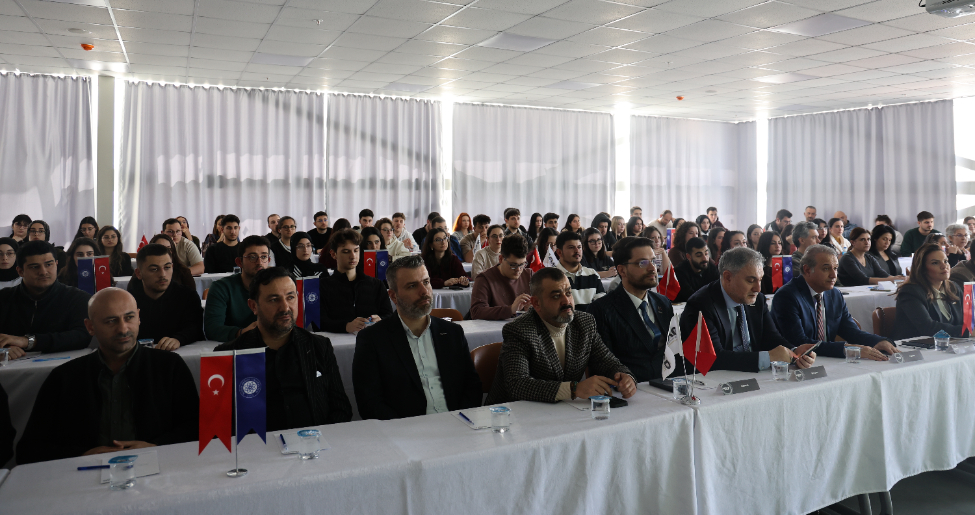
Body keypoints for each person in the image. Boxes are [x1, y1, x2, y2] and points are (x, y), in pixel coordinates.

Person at [15, 287, 199, 465]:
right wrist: (82, 455)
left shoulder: (170, 367)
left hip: (159, 469)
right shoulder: (64, 377)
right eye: (111, 321)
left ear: (139, 317)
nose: (123, 329)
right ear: (90, 327)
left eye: (129, 317)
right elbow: (29, 449)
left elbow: (196, 428)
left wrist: (156, 447)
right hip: (82, 475)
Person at [215, 268, 352, 430]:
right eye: (274, 300)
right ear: (253, 306)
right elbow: (218, 423)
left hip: (315, 440)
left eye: (290, 297)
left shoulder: (319, 346)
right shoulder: (228, 355)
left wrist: (321, 438)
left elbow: (341, 408)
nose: (285, 307)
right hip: (255, 444)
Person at [353, 256, 482, 419]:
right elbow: (369, 402)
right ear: (393, 296)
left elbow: (471, 386)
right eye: (412, 286)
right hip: (404, 428)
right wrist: (407, 429)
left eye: (426, 282)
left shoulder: (452, 332)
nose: (424, 292)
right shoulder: (373, 339)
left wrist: (460, 419)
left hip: (457, 423)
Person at [484, 267, 636, 404]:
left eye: (568, 293)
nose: (566, 301)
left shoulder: (584, 323)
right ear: (536, 303)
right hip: (512, 414)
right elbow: (517, 385)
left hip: (563, 410)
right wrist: (574, 389)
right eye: (556, 296)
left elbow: (606, 361)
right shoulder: (519, 330)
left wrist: (624, 376)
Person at [679, 247, 815, 373]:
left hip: (751, 375)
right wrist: (767, 358)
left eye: (760, 280)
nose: (758, 288)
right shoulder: (701, 305)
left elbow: (771, 337)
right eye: (751, 281)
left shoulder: (758, 299)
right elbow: (712, 358)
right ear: (728, 277)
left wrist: (794, 351)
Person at [771, 245, 900, 361]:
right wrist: (849, 349)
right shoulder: (787, 296)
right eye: (826, 269)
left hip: (827, 360)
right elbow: (800, 342)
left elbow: (851, 332)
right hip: (796, 363)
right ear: (807, 270)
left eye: (835, 268)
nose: (834, 275)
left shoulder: (834, 294)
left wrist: (878, 341)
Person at [590, 237, 675, 382]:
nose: (652, 268)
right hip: (630, 387)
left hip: (667, 383)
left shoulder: (663, 302)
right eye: (643, 263)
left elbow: (673, 347)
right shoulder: (602, 310)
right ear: (622, 270)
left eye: (653, 261)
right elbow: (602, 362)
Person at [0, 240, 91, 359]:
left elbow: (82, 336)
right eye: (34, 267)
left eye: (48, 265)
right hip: (11, 369)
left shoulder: (78, 298)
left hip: (64, 368)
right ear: (20, 271)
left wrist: (28, 341)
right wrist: (3, 347)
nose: (43, 272)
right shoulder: (4, 298)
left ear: (56, 264)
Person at [127, 244, 204, 350]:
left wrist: (179, 339)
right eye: (154, 269)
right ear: (139, 273)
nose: (163, 274)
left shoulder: (188, 296)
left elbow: (195, 328)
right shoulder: (128, 301)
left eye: (167, 267)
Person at [320, 229, 394, 333]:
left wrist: (380, 319)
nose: (353, 256)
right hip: (337, 341)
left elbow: (389, 316)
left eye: (356, 250)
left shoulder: (376, 285)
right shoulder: (323, 286)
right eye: (346, 251)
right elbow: (319, 322)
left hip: (371, 339)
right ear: (333, 254)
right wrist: (346, 326)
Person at [203, 235, 270, 342]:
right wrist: (241, 333)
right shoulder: (221, 287)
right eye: (252, 257)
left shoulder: (275, 287)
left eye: (264, 257)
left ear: (269, 260)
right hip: (233, 346)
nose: (259, 262)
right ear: (239, 262)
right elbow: (212, 329)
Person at [892, 244, 964, 340]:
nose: (944, 266)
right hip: (916, 346)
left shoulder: (953, 288)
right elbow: (928, 328)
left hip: (951, 344)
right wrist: (966, 332)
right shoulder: (910, 292)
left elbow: (966, 319)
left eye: (946, 261)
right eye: (935, 263)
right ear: (922, 268)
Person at [470, 234, 533, 320]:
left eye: (522, 264)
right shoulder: (484, 279)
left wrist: (534, 307)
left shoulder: (529, 275)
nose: (518, 269)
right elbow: (476, 312)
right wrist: (510, 309)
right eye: (513, 265)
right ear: (500, 259)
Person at [553, 231, 605, 312]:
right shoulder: (551, 277)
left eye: (579, 247)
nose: (577, 251)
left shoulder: (592, 274)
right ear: (559, 252)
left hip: (591, 319)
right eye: (571, 247)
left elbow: (601, 306)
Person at [839, 227, 904, 286]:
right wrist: (890, 280)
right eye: (862, 240)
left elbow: (882, 274)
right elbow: (863, 279)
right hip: (850, 293)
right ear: (853, 242)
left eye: (868, 239)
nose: (867, 243)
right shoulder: (847, 258)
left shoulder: (869, 257)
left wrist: (899, 278)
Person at [674, 237, 720, 303]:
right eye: (699, 255)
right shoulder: (680, 272)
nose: (705, 258)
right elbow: (692, 297)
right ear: (689, 257)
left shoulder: (711, 267)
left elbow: (719, 290)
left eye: (706, 254)